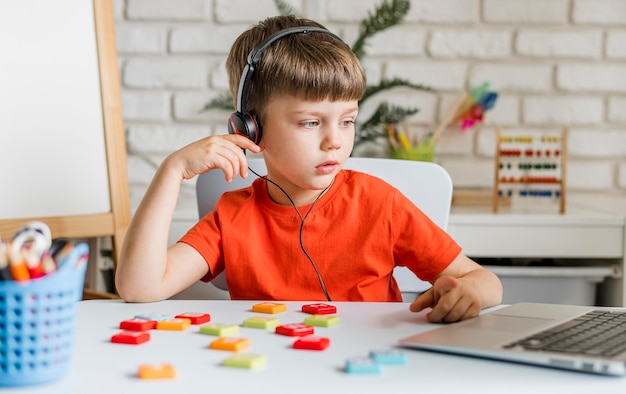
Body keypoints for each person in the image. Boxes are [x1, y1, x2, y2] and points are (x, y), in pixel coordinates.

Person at [115, 15, 502, 323]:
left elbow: (485, 282)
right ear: (251, 129)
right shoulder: (233, 217)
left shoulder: (380, 204)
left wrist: (470, 294)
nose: (335, 140)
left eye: (347, 121)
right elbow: (139, 287)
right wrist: (172, 170)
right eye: (311, 122)